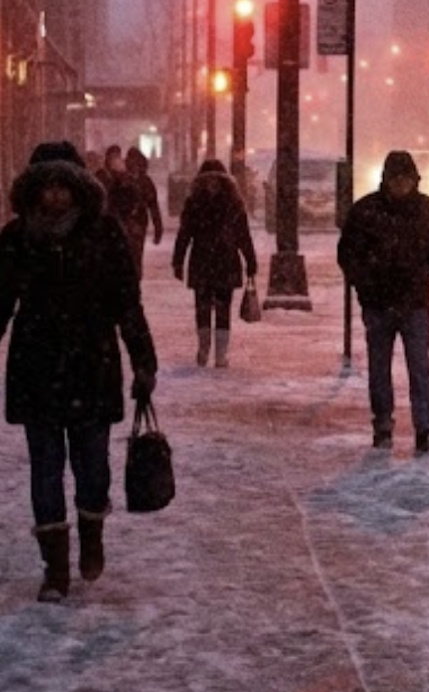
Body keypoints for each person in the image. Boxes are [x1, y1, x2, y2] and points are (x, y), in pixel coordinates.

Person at [0, 141, 157, 602]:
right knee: (45, 471)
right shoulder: (16, 238)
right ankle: (55, 568)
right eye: (45, 186)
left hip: (92, 364)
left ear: (76, 187)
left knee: (93, 470)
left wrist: (143, 361)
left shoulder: (103, 233)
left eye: (61, 185)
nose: (54, 196)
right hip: (36, 367)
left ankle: (91, 533)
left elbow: (127, 303)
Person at [337, 150, 429, 452]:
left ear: (414, 180)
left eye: (406, 179)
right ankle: (383, 423)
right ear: (387, 180)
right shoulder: (367, 211)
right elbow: (348, 254)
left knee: (418, 367)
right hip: (380, 302)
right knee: (380, 367)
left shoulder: (423, 209)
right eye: (396, 179)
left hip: (413, 301)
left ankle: (425, 427)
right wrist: (364, 284)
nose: (401, 185)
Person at [172, 158, 257, 368]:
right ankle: (220, 354)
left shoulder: (194, 202)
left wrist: (178, 261)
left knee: (202, 306)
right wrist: (250, 261)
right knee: (223, 307)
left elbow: (185, 234)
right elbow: (243, 235)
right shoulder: (234, 202)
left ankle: (203, 349)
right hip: (226, 260)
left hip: (201, 259)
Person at [115, 146, 164, 279]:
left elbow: (153, 205)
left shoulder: (129, 180)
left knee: (131, 254)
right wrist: (158, 227)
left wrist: (158, 227)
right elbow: (153, 205)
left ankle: (131, 280)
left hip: (133, 222)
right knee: (132, 254)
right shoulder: (138, 181)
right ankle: (132, 279)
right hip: (131, 222)